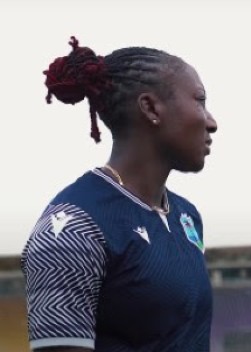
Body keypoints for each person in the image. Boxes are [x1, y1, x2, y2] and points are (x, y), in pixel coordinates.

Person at [21, 36, 218, 352]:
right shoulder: (72, 228)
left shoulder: (186, 216)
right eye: (200, 100)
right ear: (151, 108)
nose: (212, 122)